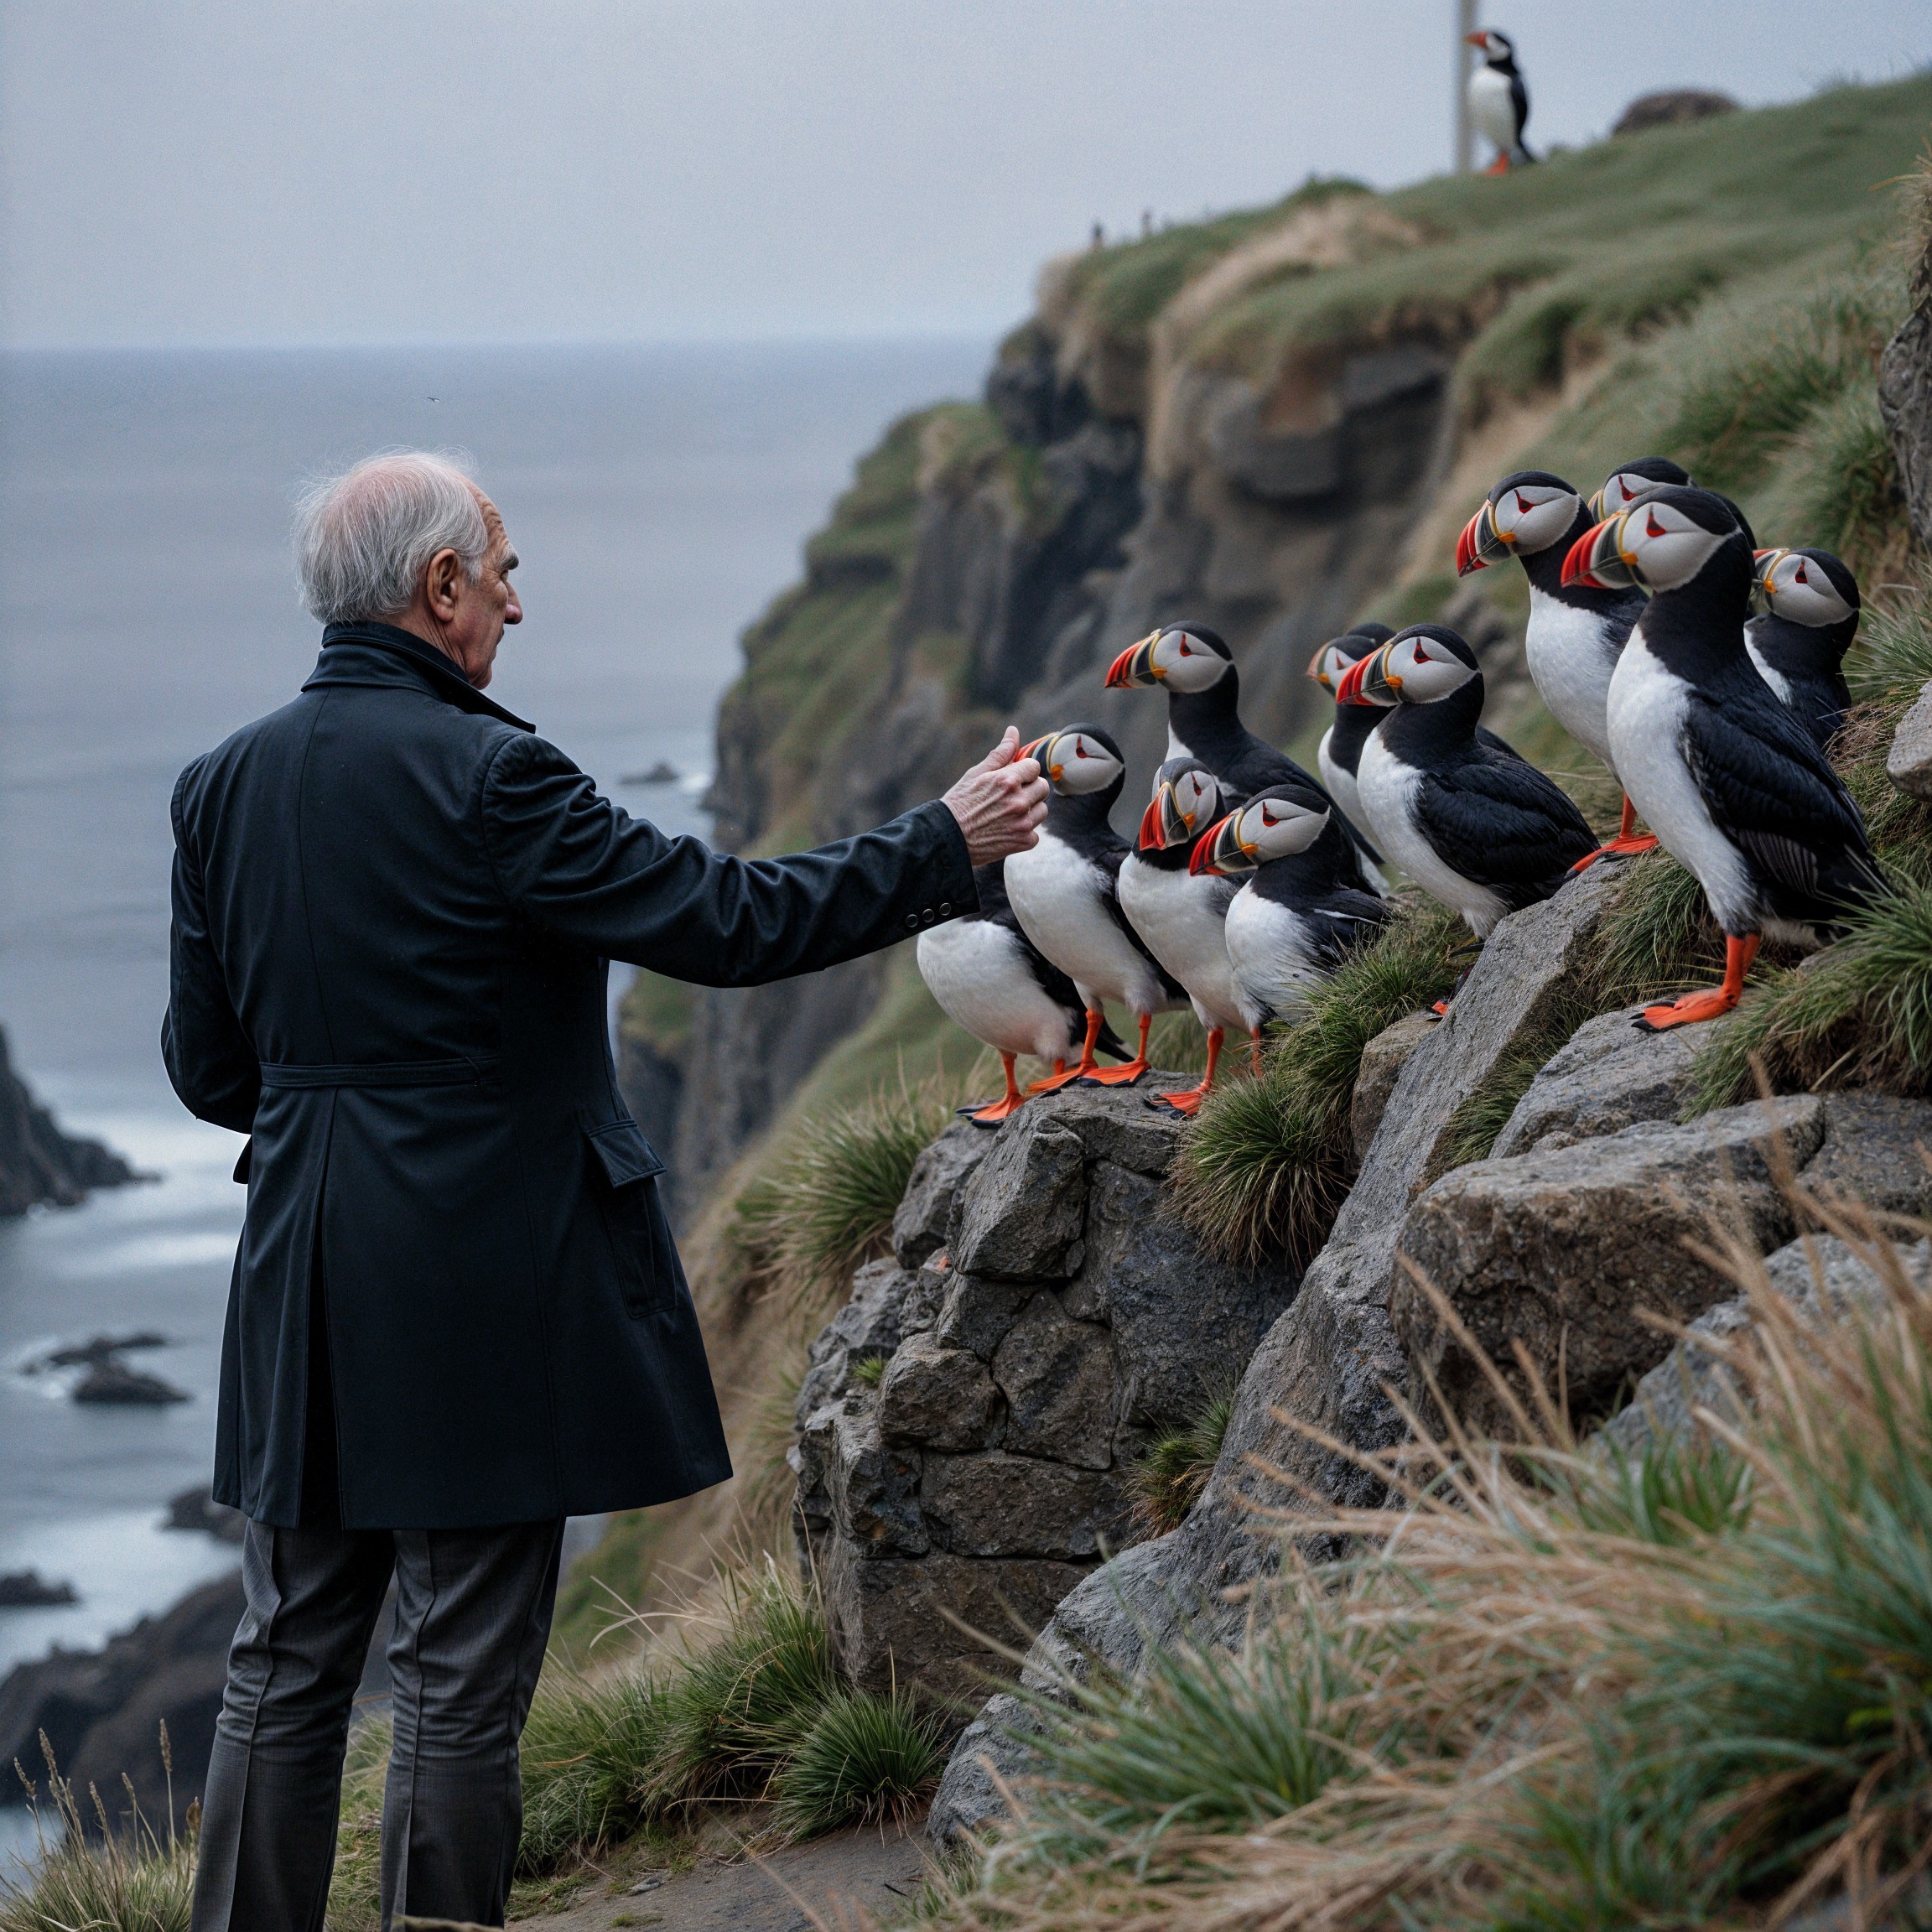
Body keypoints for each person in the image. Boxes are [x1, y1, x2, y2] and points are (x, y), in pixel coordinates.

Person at [165, 449, 1046, 1931]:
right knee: (455, 1666)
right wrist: (940, 844)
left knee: (286, 1654)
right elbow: (723, 922)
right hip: (476, 1270)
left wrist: (346, 1122)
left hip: (303, 1262)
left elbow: (206, 1071)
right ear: (438, 587)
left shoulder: (218, 786)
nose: (518, 599)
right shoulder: (494, 776)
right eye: (501, 570)